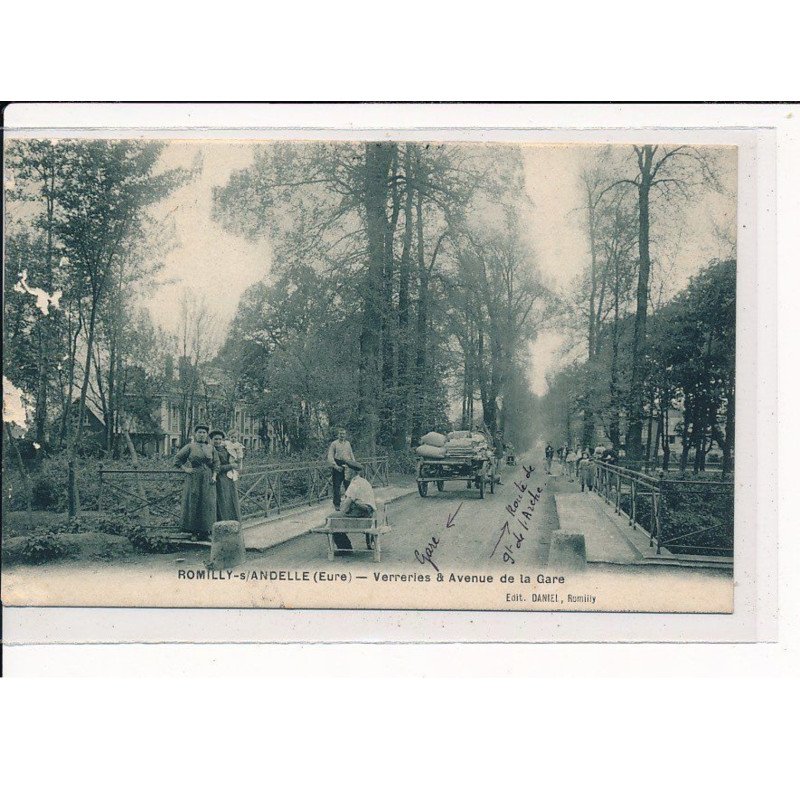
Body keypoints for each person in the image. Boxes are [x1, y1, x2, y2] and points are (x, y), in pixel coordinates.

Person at [174, 423, 220, 539]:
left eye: (204, 433)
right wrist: (185, 469)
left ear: (206, 435)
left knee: (208, 503)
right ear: (195, 434)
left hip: (208, 477)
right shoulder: (190, 446)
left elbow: (216, 463)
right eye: (199, 432)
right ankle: (193, 532)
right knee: (194, 502)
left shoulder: (211, 447)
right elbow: (177, 459)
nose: (202, 435)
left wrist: (214, 476)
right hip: (194, 477)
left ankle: (206, 531)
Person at [340, 460, 378, 549]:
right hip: (369, 513)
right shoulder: (363, 481)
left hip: (360, 513)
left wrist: (339, 512)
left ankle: (346, 548)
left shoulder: (354, 484)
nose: (344, 472)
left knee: (332, 518)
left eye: (346, 470)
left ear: (353, 472)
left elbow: (345, 506)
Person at [210, 429, 242, 522]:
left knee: (230, 500)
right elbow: (215, 467)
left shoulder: (225, 448)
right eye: (215, 439)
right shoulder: (210, 450)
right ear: (211, 439)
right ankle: (222, 523)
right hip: (218, 479)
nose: (218, 441)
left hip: (228, 478)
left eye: (220, 439)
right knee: (221, 502)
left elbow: (234, 456)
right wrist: (230, 466)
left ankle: (233, 523)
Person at [327, 427, 355, 510]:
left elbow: (351, 454)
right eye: (340, 434)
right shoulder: (334, 444)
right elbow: (330, 456)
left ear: (345, 435)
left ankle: (348, 504)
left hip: (347, 465)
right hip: (338, 464)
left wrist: (354, 465)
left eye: (343, 434)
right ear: (338, 435)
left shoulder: (348, 444)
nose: (342, 435)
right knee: (337, 486)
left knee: (348, 485)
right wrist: (335, 466)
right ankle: (337, 504)